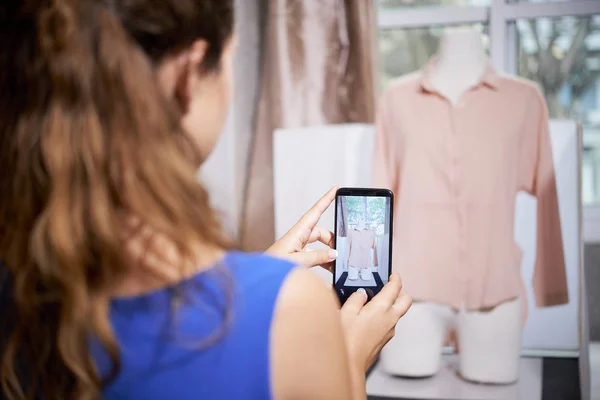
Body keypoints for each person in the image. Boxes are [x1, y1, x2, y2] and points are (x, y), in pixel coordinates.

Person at [0, 0, 412, 399]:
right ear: (189, 74)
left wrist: (254, 280)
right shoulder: (295, 309)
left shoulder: (18, 285)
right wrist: (348, 361)